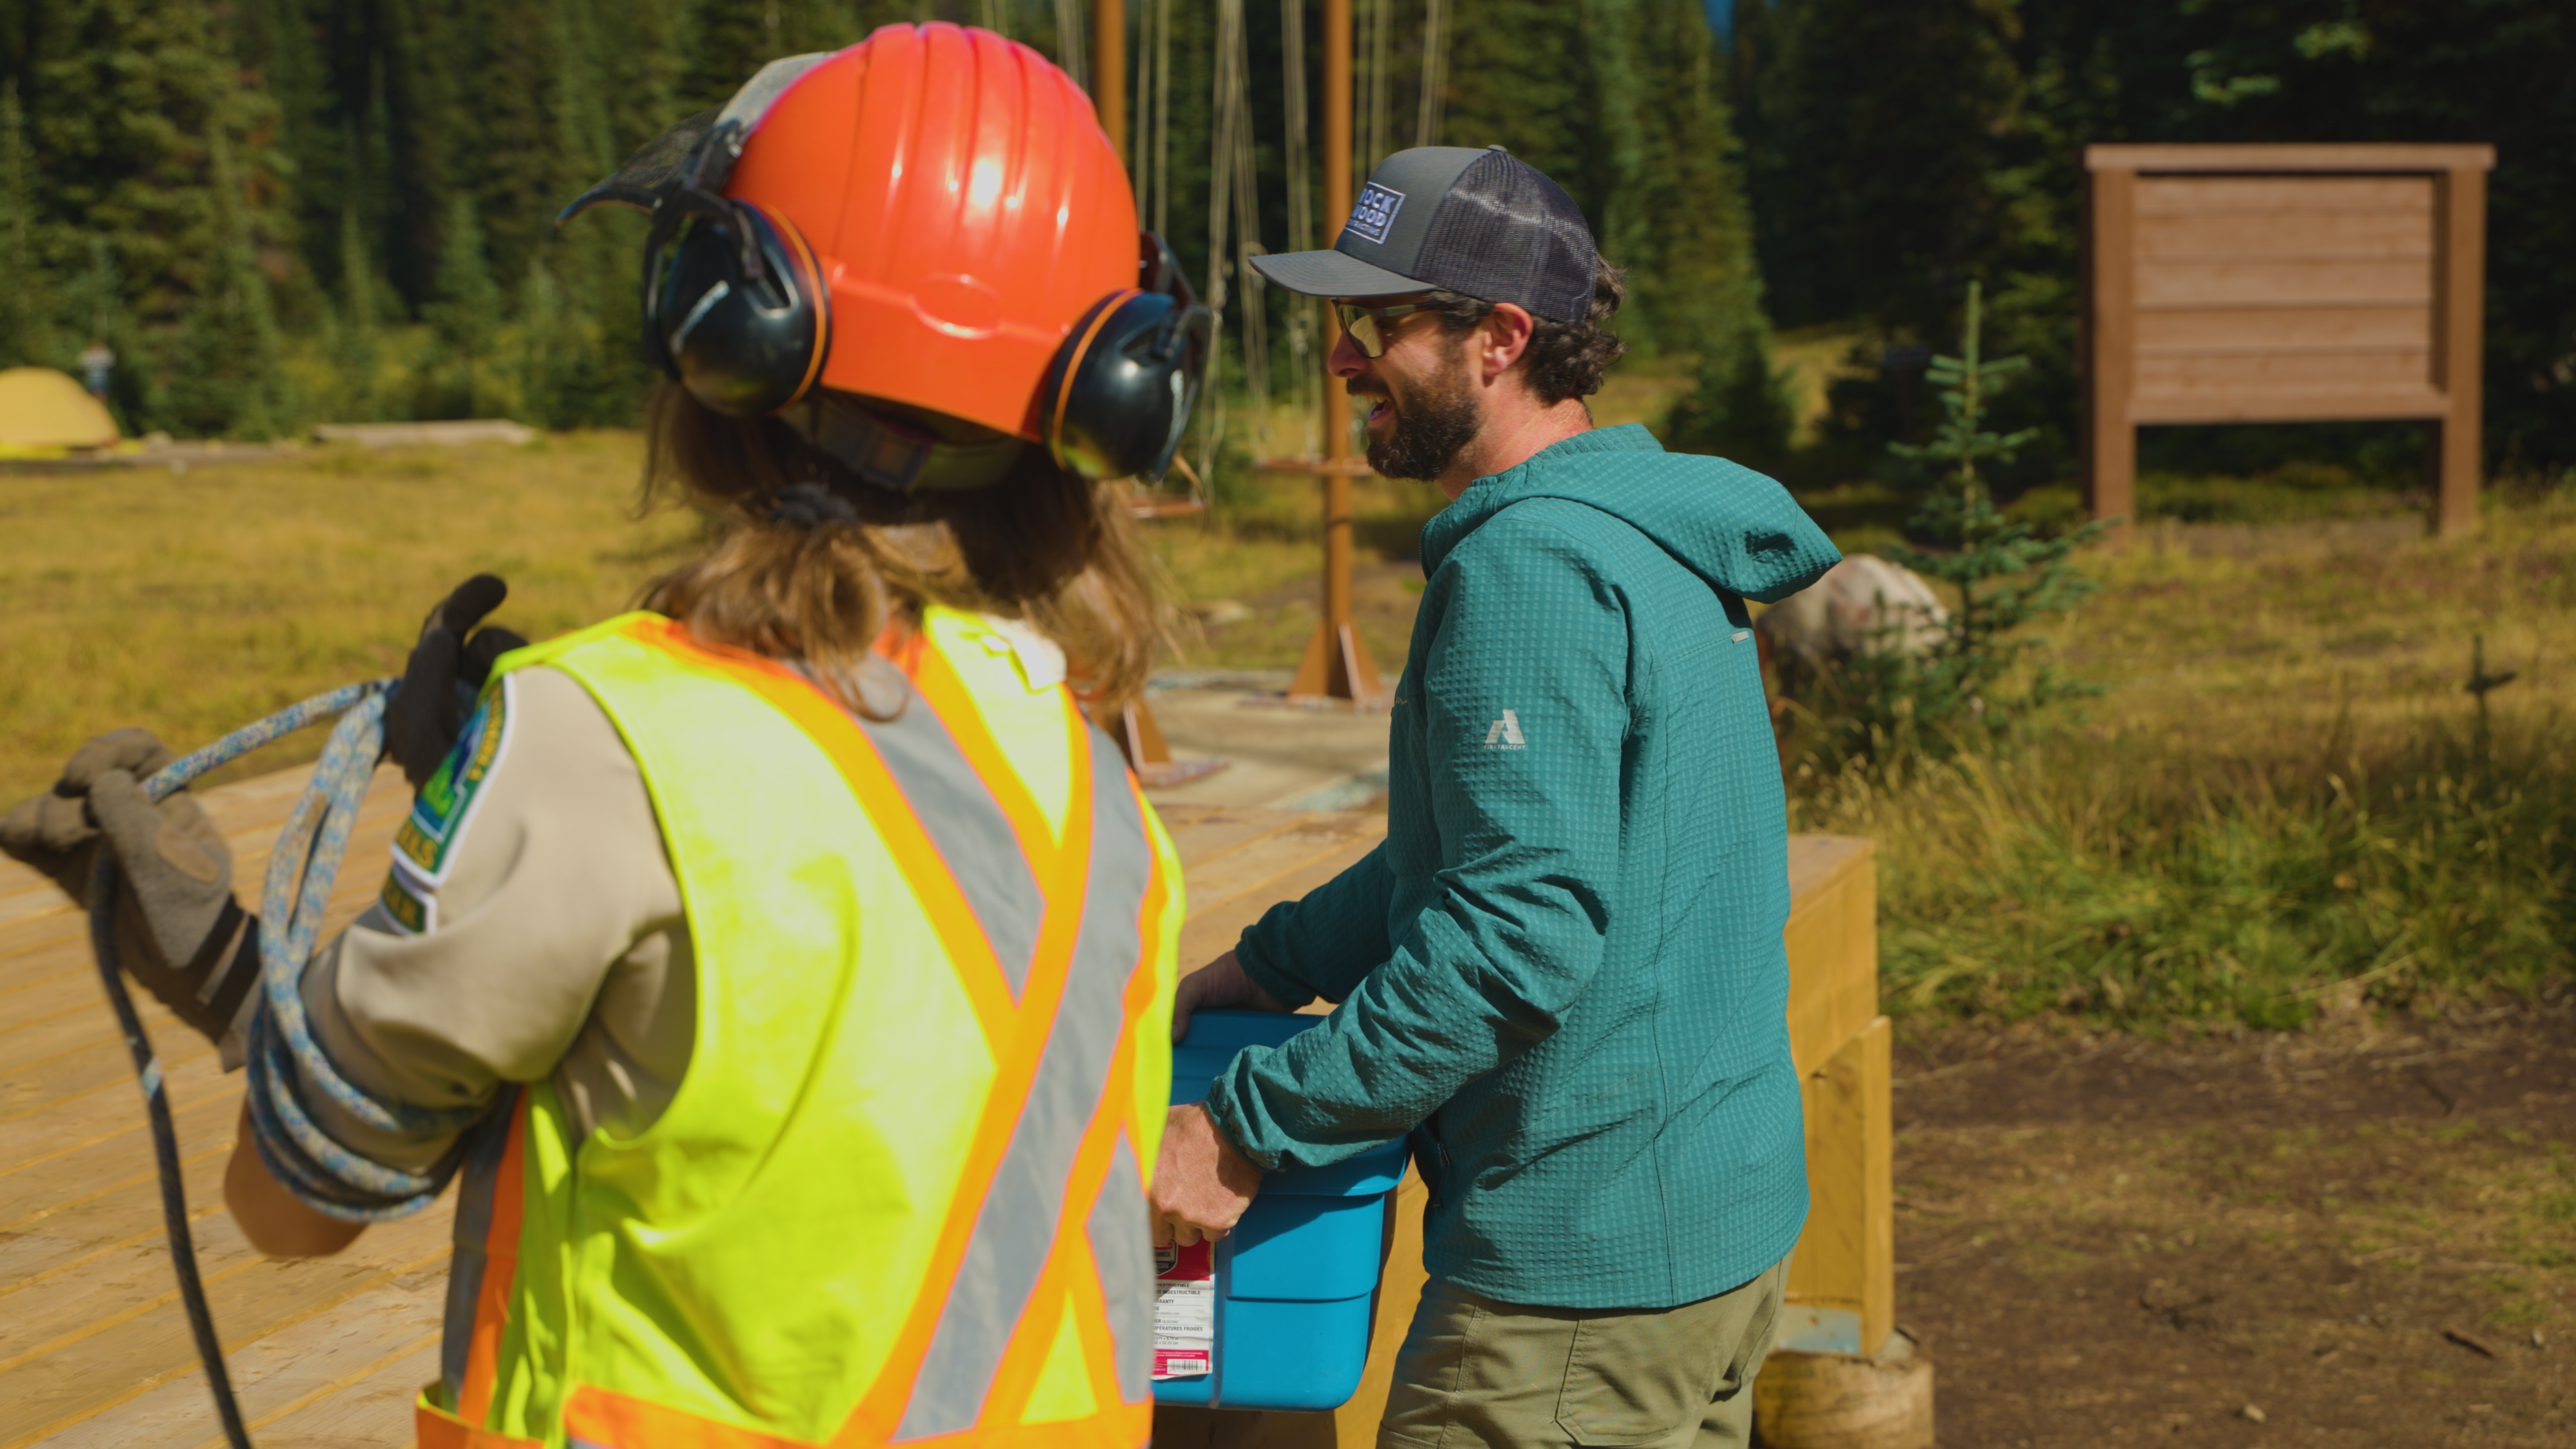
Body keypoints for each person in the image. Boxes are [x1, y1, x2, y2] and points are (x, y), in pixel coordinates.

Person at [1, 25, 1203, 1449]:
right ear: (1105, 395)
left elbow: (295, 1205)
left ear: (724, 324)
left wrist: (203, 943)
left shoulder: (604, 738)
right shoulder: (1087, 761)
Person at [1148, 146, 1842, 1448]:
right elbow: (1491, 854)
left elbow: (1517, 931)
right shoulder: (1644, 530)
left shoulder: (1528, 570)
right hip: (1713, 1227)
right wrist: (1274, 960)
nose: (1345, 358)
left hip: (1576, 1284)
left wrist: (1243, 1131)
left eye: (1381, 323)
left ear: (1500, 340)